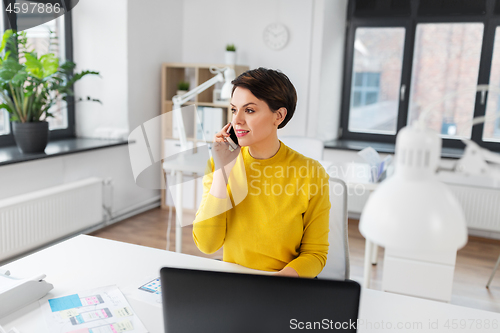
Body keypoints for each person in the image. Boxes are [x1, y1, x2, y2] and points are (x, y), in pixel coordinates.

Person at [192, 67, 330, 278]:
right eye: (233, 109)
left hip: (283, 286)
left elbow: (315, 253)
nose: (237, 120)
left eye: (249, 110)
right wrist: (222, 172)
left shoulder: (311, 173)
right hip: (236, 282)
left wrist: (273, 286)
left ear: (279, 116)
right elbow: (207, 245)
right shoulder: (219, 163)